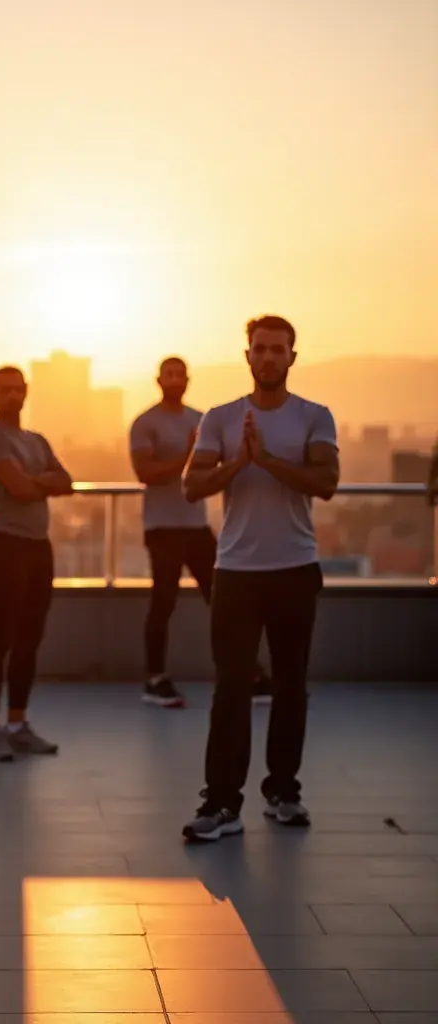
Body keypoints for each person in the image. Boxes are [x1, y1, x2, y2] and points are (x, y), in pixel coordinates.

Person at [181, 315, 339, 842]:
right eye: (260, 349)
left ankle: (283, 792)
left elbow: (326, 483)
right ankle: (221, 804)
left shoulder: (315, 417)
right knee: (231, 689)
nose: (269, 357)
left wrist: (267, 460)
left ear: (293, 357)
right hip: (236, 573)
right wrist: (237, 464)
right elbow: (191, 486)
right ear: (246, 356)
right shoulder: (222, 419)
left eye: (278, 349)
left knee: (291, 686)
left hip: (295, 568)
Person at [129, 356, 271, 708]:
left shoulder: (200, 420)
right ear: (158, 380)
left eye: (180, 374)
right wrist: (188, 456)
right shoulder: (145, 423)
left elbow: (217, 469)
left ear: (188, 379)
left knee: (224, 600)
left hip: (195, 527)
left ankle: (247, 674)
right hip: (162, 527)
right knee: (163, 603)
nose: (175, 379)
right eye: (169, 374)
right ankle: (154, 678)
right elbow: (146, 473)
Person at [0, 366, 73, 762]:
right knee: (0, 638)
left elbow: (67, 481)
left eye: (19, 389)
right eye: (6, 389)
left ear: (26, 392)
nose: (13, 395)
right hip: (4, 545)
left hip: (38, 547)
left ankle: (17, 724)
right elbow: (18, 488)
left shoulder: (36, 439)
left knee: (29, 638)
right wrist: (41, 480)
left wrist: (37, 481)